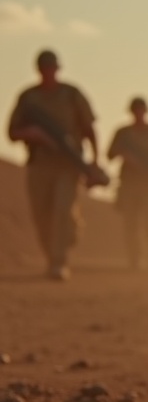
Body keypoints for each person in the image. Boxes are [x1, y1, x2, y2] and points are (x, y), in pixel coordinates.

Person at [5, 49, 100, 280]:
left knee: (62, 210)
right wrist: (34, 134)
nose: (48, 72)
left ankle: (59, 261)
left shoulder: (71, 94)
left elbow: (88, 128)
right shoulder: (28, 98)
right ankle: (53, 255)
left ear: (58, 69)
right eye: (44, 68)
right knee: (42, 214)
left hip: (67, 164)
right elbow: (12, 132)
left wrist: (95, 161)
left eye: (52, 68)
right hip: (39, 164)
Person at [107, 96, 148, 270]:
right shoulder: (123, 133)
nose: (138, 114)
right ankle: (134, 260)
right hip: (129, 183)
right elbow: (110, 153)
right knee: (131, 223)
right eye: (135, 111)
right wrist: (125, 155)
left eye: (141, 110)